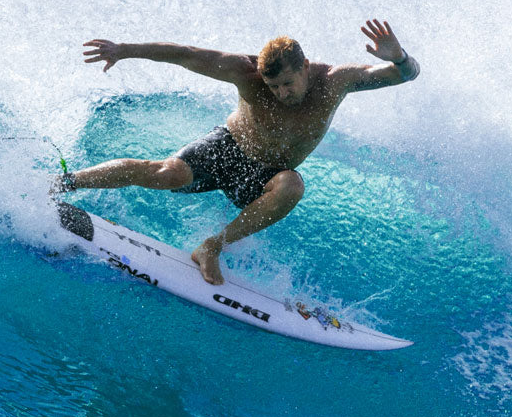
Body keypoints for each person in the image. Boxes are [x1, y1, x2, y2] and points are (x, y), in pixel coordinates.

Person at [55, 19, 420, 285]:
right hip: (228, 148)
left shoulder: (336, 81)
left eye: (288, 84)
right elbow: (185, 55)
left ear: (305, 68)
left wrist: (400, 57)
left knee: (292, 185)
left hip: (264, 176)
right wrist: (124, 51)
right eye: (273, 86)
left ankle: (212, 247)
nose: (281, 93)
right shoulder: (245, 72)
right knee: (165, 174)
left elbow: (406, 75)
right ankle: (64, 182)